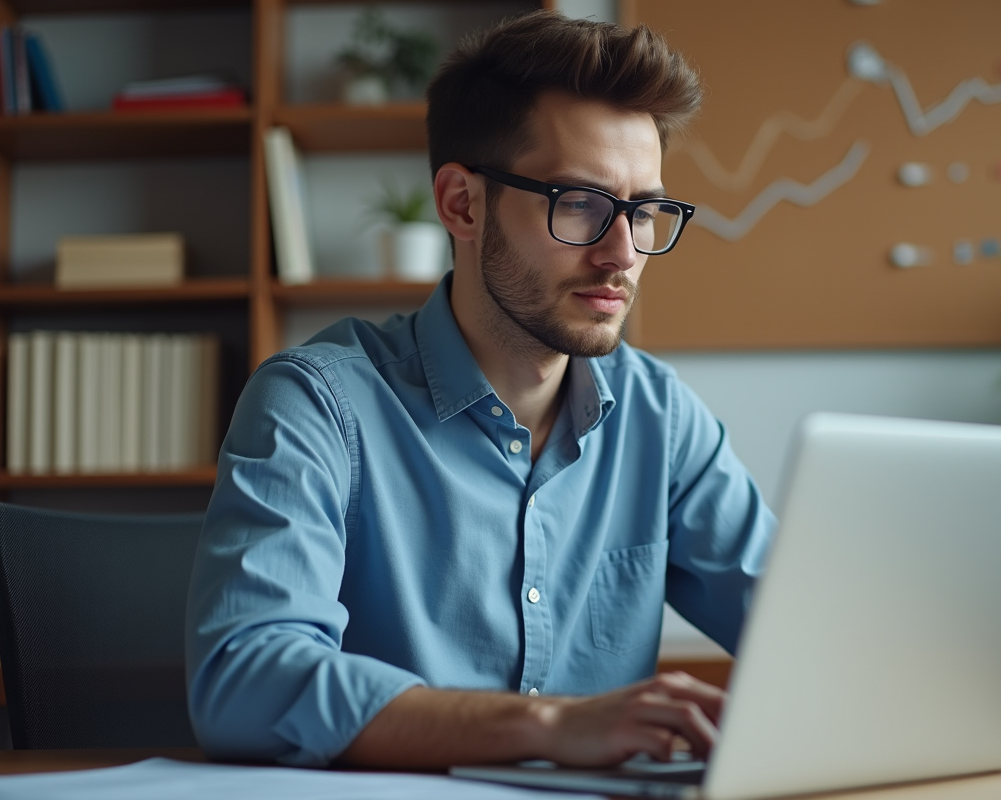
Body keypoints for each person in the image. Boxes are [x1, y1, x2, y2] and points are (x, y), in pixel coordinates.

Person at [186, 10, 775, 770]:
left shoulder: (660, 418)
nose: (622, 253)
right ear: (462, 203)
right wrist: (549, 726)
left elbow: (803, 633)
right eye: (581, 204)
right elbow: (243, 684)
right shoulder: (316, 405)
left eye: (645, 212)